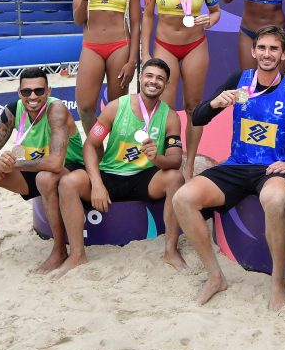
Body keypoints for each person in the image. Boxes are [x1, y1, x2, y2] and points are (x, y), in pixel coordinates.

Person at [174, 26, 285, 307]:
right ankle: (215, 277)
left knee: (274, 200)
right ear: (253, 51)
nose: (267, 54)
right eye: (262, 48)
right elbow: (198, 119)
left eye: (274, 49)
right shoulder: (239, 80)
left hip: (271, 168)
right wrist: (214, 103)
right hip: (237, 165)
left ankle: (277, 281)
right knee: (182, 199)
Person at [52, 58, 186, 278]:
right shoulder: (116, 107)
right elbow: (90, 145)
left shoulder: (170, 117)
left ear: (167, 83)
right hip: (110, 175)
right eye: (149, 76)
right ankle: (77, 254)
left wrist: (157, 158)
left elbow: (174, 160)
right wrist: (96, 184)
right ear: (141, 78)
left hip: (144, 177)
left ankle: (170, 250)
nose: (154, 81)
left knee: (175, 178)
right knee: (68, 182)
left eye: (160, 78)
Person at [0, 67, 85, 273]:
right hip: (34, 169)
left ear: (49, 91)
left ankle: (59, 250)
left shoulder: (57, 110)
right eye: (27, 91)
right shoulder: (13, 110)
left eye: (39, 91)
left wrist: (14, 164)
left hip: (68, 169)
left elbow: (55, 163)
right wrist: (1, 163)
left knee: (45, 177)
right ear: (19, 93)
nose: (33, 96)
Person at [142, 0, 221, 180]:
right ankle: (166, 160)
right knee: (164, 106)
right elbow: (147, 15)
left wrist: (211, 19)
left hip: (195, 45)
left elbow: (216, 11)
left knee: (193, 107)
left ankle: (189, 164)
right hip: (164, 44)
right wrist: (145, 53)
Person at [72, 0, 140, 135]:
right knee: (84, 107)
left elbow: (136, 24)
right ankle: (96, 147)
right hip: (92, 47)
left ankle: (114, 151)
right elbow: (77, 20)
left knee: (116, 107)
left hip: (119, 46)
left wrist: (132, 61)